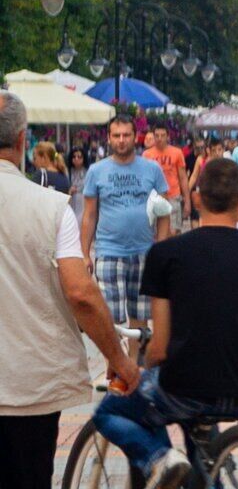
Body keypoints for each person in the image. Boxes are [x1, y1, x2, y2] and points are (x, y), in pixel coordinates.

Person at [91, 153, 238, 489]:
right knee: (202, 413)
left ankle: (159, 460)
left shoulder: (166, 255)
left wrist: (142, 365)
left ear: (195, 199)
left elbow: (159, 345)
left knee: (110, 411)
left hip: (183, 385)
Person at [0, 94, 128, 489]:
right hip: (28, 385)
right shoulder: (51, 208)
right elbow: (79, 292)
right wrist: (118, 358)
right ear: (23, 139)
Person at [74, 113, 169, 348]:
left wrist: (161, 248)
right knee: (110, 318)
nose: (122, 140)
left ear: (135, 137)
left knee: (140, 317)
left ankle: (135, 370)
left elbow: (164, 212)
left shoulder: (152, 170)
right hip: (109, 251)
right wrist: (84, 253)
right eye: (116, 135)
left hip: (144, 252)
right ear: (108, 138)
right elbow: (89, 215)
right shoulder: (97, 171)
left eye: (126, 135)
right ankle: (115, 372)